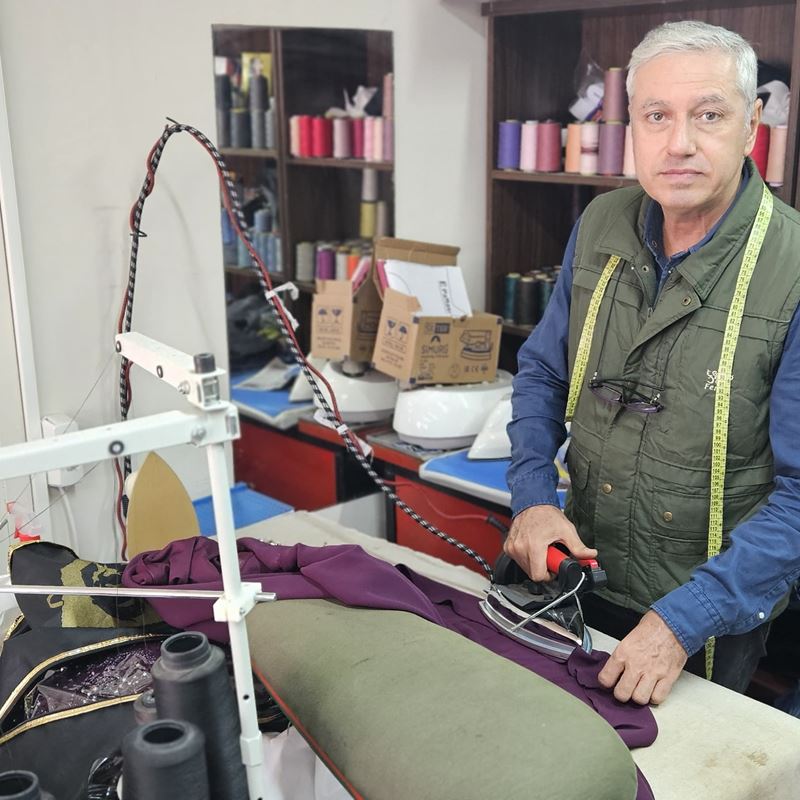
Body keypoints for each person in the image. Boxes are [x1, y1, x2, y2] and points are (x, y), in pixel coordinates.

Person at [506, 20, 800, 706]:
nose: (680, 144)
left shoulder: (791, 268)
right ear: (629, 123)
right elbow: (545, 373)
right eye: (656, 116)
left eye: (709, 115)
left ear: (752, 123)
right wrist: (531, 502)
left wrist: (683, 620)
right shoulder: (601, 222)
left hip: (708, 617)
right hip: (578, 571)